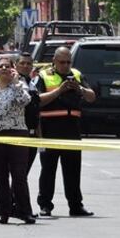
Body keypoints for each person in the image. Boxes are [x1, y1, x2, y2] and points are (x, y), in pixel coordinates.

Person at [36, 46, 96, 217]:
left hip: (72, 129)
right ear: (54, 61)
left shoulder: (76, 75)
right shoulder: (44, 76)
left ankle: (76, 206)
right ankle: (45, 205)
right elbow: (37, 100)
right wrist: (59, 90)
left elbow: (92, 97)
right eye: (62, 62)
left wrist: (80, 89)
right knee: (48, 170)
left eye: (68, 62)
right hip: (50, 129)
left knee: (73, 170)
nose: (65, 65)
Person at [0, 56, 35, 225]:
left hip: (17, 135)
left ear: (13, 69)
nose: (4, 68)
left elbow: (26, 100)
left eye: (7, 66)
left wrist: (16, 82)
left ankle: (25, 211)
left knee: (19, 176)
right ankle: (4, 212)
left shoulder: (19, 86)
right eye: (1, 66)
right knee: (0, 176)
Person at [16, 52, 41, 174]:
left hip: (31, 135)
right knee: (18, 175)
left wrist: (39, 136)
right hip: (18, 134)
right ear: (16, 65)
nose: (25, 66)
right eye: (22, 63)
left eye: (29, 63)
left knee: (23, 174)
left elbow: (36, 112)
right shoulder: (12, 83)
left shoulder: (32, 84)